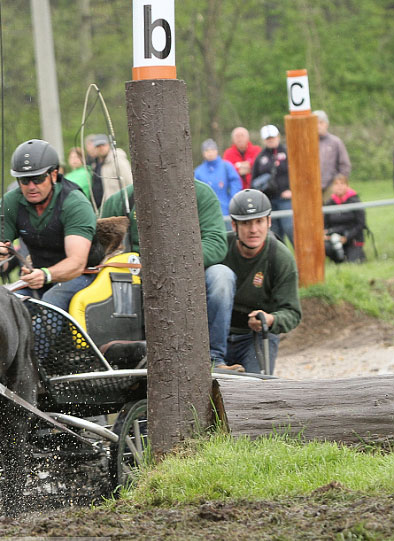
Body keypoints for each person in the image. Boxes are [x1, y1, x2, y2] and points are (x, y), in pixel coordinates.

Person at [100, 180, 238, 371]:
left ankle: (214, 359)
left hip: (190, 273)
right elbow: (102, 250)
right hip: (136, 278)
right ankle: (117, 361)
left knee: (222, 276)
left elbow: (216, 243)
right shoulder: (119, 201)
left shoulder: (201, 194)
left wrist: (173, 263)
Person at [0, 139, 97, 311]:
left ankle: (39, 338)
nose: (31, 186)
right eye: (24, 180)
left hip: (81, 276)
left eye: (37, 179)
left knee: (50, 303)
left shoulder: (75, 203)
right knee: (4, 306)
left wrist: (46, 274)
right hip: (37, 276)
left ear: (53, 175)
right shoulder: (9, 203)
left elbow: (77, 263)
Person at [221, 189, 302, 374]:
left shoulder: (280, 257)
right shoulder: (220, 248)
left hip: (255, 336)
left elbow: (293, 312)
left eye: (259, 221)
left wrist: (270, 319)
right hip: (216, 335)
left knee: (255, 388)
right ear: (234, 225)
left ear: (269, 222)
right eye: (246, 223)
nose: (253, 230)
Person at [251, 125, 292, 244]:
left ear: (278, 137)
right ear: (264, 140)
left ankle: (301, 260)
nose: (271, 140)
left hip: (285, 199)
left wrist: (292, 190)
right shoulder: (260, 157)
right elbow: (254, 180)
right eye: (268, 138)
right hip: (269, 201)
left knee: (290, 228)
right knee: (274, 233)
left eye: (273, 137)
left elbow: (298, 173)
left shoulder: (287, 153)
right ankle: (281, 260)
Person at [195, 138, 243, 217]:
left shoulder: (226, 166)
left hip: (226, 211)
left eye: (212, 150)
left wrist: (232, 203)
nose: (210, 153)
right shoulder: (198, 172)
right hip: (206, 213)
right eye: (207, 151)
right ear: (203, 153)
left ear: (216, 151)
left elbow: (236, 184)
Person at [323, 174, 366, 263]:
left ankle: (357, 254)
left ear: (347, 186)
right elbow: (325, 225)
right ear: (332, 187)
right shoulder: (329, 204)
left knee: (354, 262)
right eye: (336, 184)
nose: (339, 187)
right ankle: (337, 258)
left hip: (352, 237)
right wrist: (326, 234)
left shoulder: (355, 201)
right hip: (335, 237)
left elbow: (361, 224)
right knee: (326, 247)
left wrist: (346, 237)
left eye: (342, 184)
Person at [313, 110, 351, 200]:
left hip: (331, 187)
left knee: (332, 212)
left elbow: (345, 165)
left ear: (326, 124)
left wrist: (340, 185)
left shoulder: (335, 142)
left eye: (320, 123)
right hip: (311, 188)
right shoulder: (307, 143)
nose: (318, 125)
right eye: (315, 123)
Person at [87, 134, 133, 208]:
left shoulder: (118, 160)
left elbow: (130, 182)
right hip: (103, 207)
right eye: (98, 146)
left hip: (119, 206)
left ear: (108, 145)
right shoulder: (96, 165)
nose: (101, 148)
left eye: (103, 145)